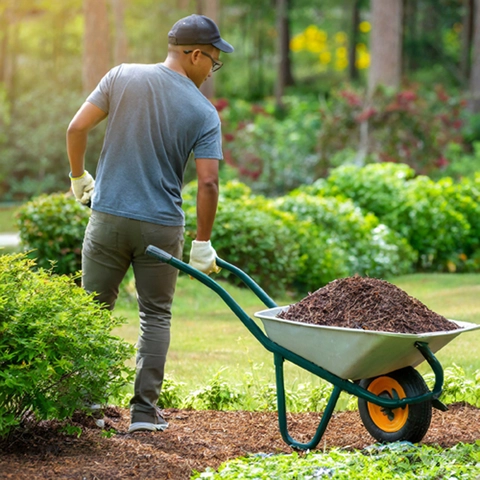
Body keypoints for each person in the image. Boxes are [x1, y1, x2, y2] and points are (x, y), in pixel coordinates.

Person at [66, 14, 234, 433]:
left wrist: (77, 176)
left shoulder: (121, 75)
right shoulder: (203, 111)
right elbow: (208, 182)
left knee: (91, 313)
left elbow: (76, 127)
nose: (212, 71)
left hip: (107, 218)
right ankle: (143, 413)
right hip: (160, 227)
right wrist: (203, 242)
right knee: (155, 315)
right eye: (213, 61)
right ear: (194, 54)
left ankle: (88, 409)